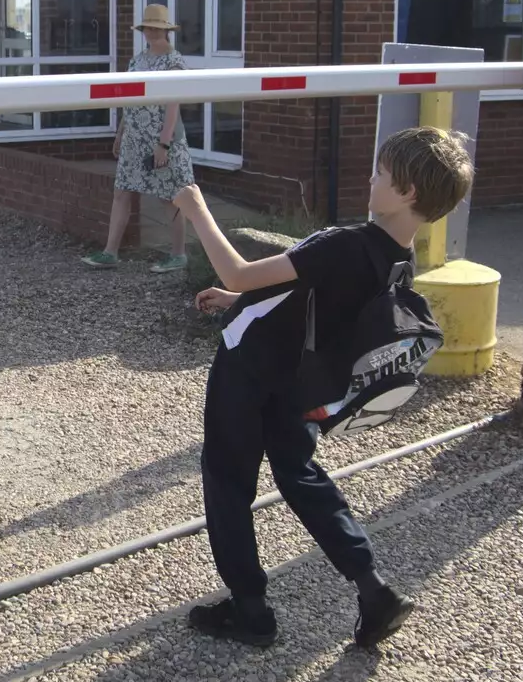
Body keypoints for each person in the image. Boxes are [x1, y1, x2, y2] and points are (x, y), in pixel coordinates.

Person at [172, 126, 474, 649]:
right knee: (299, 475)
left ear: (407, 194)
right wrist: (235, 298)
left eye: (381, 173)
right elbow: (308, 299)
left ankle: (250, 609)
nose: (370, 177)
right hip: (301, 384)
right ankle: (372, 589)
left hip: (249, 370)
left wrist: (197, 208)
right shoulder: (397, 258)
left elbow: (242, 271)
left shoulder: (347, 242)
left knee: (227, 479)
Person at [80, 4, 194, 273]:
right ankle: (110, 251)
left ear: (166, 31)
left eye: (157, 28)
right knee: (121, 192)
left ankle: (178, 254)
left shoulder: (174, 63)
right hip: (134, 137)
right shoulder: (137, 60)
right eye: (148, 28)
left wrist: (164, 143)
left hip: (162, 139)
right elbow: (129, 99)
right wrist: (121, 131)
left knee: (171, 196)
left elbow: (172, 106)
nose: (151, 32)